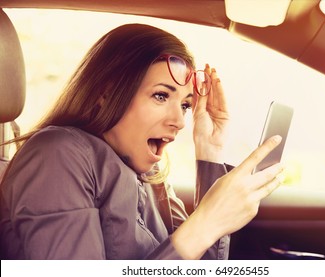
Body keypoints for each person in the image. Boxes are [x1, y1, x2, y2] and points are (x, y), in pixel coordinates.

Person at [0, 24, 284, 260]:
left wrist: (209, 151)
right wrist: (203, 225)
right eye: (161, 96)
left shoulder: (150, 176)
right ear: (106, 93)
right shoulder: (57, 156)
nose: (180, 121)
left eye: (185, 105)